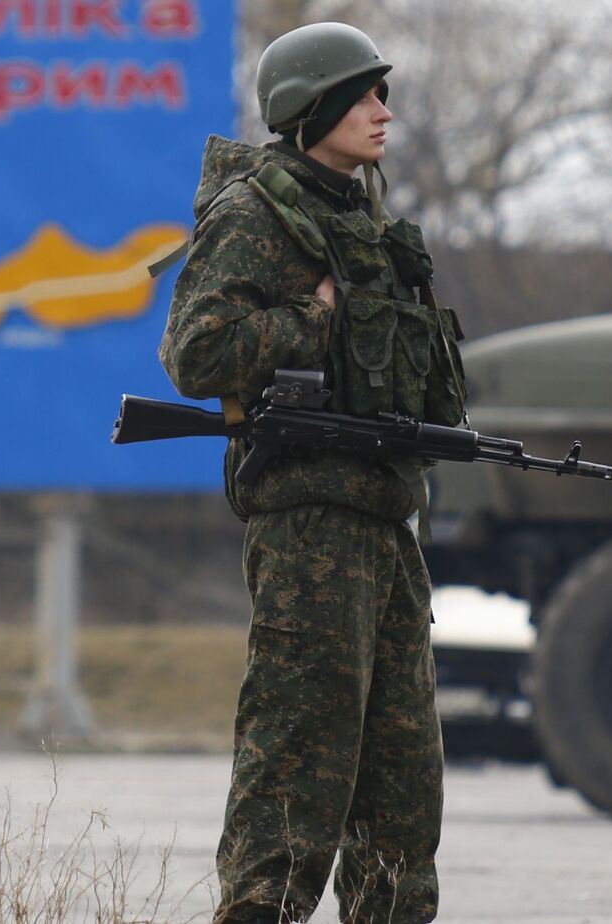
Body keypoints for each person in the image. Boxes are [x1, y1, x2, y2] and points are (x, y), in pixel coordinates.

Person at [157, 21, 466, 924]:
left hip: (384, 524)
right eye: (367, 94)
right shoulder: (256, 214)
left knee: (403, 790)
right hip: (310, 530)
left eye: (383, 92)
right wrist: (311, 319)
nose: (384, 111)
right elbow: (195, 353)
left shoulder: (360, 220)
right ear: (313, 106)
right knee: (296, 772)